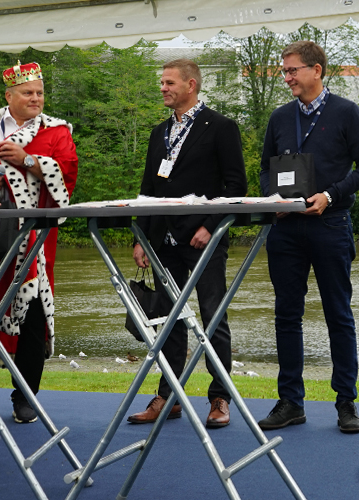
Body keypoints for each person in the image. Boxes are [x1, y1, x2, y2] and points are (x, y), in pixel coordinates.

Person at [257, 40, 359, 433]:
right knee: (286, 315)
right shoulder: (279, 118)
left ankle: (346, 403)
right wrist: (270, 199)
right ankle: (291, 401)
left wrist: (330, 194)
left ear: (317, 71)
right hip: (286, 230)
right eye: (285, 70)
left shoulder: (345, 112)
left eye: (292, 70)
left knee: (338, 314)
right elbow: (264, 171)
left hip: (331, 225)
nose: (286, 77)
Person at [0, 61, 79, 424]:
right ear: (9, 96)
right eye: (28, 92)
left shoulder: (56, 131)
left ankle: (25, 395)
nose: (35, 98)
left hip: (31, 239)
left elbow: (68, 173)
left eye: (39, 92)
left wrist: (30, 162)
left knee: (32, 311)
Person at [126, 59, 247, 428]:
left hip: (203, 240)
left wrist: (210, 226)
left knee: (213, 318)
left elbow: (235, 186)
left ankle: (220, 397)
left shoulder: (221, 128)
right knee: (167, 320)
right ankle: (169, 396)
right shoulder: (158, 132)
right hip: (163, 240)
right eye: (161, 82)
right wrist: (141, 238)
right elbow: (148, 190)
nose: (162, 88)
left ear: (191, 84)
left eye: (169, 82)